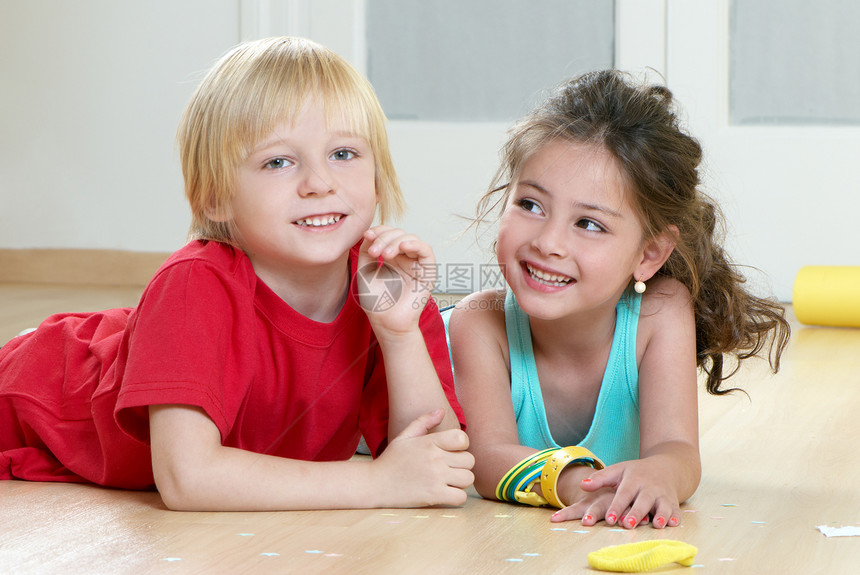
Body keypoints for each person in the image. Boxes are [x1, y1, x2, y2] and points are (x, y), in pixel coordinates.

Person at [0, 36, 474, 511]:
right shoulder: (194, 282)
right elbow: (189, 479)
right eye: (278, 161)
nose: (320, 183)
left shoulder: (387, 287)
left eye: (344, 154)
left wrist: (400, 335)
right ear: (215, 198)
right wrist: (379, 484)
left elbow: (440, 464)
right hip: (32, 395)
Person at [444, 70, 790, 529]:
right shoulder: (478, 323)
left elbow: (678, 450)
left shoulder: (660, 311)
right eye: (530, 204)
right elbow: (488, 461)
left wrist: (661, 473)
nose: (549, 242)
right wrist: (575, 483)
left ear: (649, 255)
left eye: (589, 224)